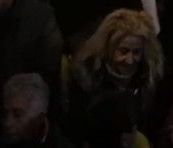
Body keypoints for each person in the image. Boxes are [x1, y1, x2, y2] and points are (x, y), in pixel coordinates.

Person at [67, 9, 164, 142]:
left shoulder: (147, 80)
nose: (130, 61)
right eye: (123, 51)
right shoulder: (86, 77)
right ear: (108, 48)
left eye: (136, 52)